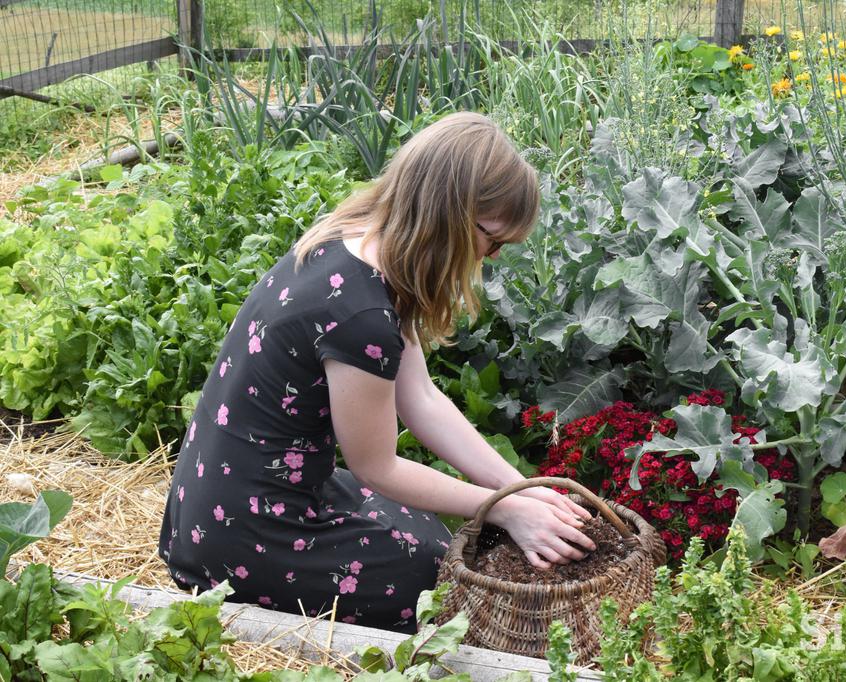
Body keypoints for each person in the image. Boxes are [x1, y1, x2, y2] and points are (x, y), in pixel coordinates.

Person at [157, 111, 597, 633]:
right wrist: (501, 511)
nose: (494, 255)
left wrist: (519, 490)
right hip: (243, 530)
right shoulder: (361, 316)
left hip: (230, 493)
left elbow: (422, 400)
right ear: (451, 215)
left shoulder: (360, 244)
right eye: (493, 239)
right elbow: (378, 468)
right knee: (437, 584)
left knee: (432, 536)